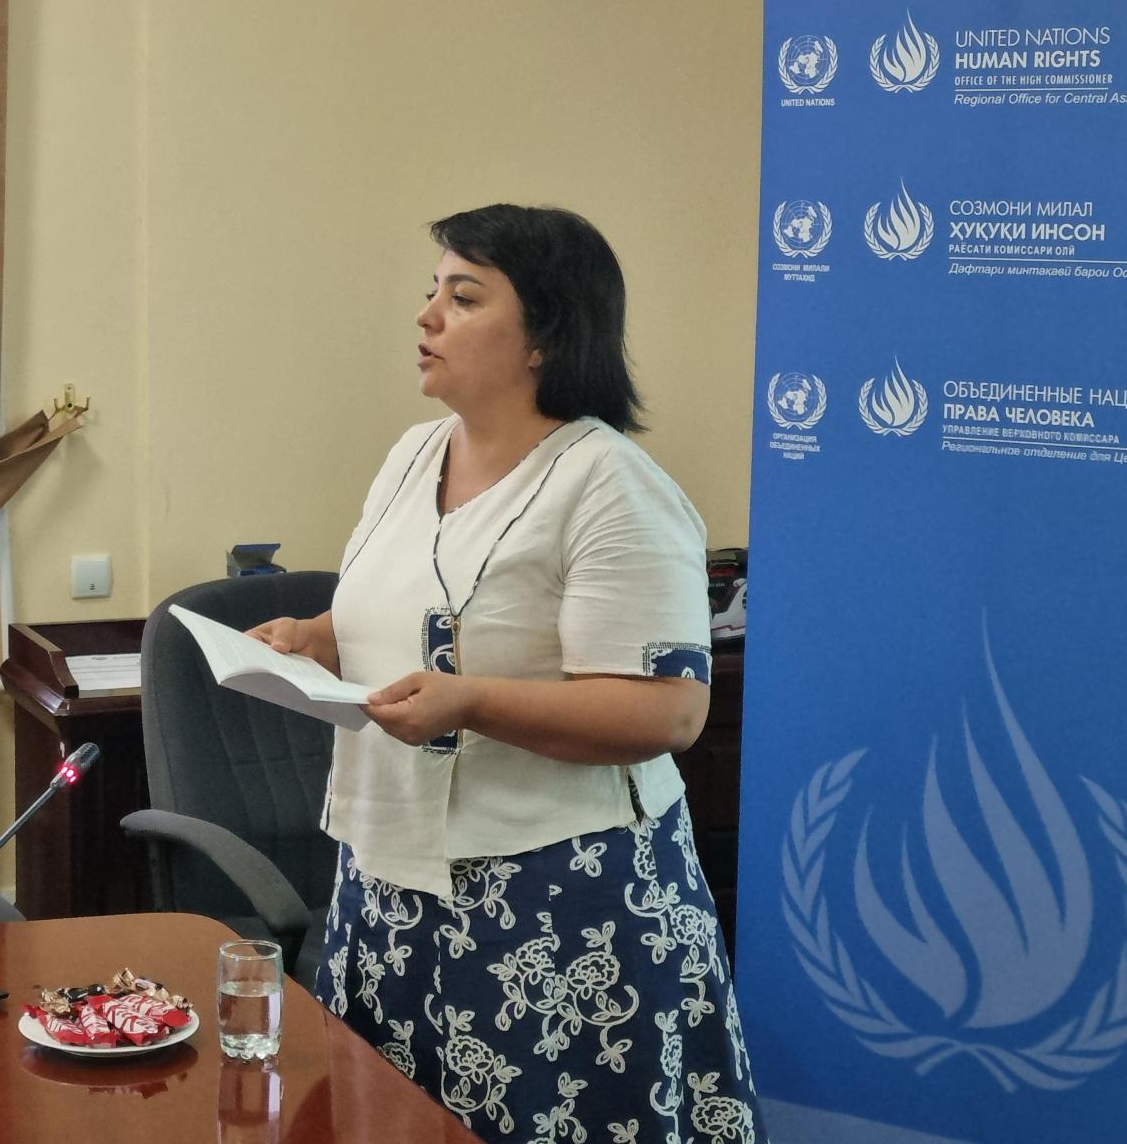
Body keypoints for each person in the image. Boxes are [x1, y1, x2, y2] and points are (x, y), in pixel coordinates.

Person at [250, 205, 764, 1142]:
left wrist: (471, 702)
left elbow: (669, 712)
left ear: (546, 337)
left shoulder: (610, 483)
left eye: (465, 295)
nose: (427, 315)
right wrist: (318, 635)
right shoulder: (414, 455)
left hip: (558, 910)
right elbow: (408, 602)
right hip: (389, 887)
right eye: (432, 290)